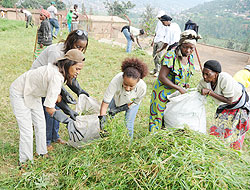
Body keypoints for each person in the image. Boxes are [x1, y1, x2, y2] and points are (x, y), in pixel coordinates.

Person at [9, 49, 85, 167]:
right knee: (27, 130)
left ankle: (42, 152)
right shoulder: (56, 77)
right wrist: (67, 120)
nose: (78, 72)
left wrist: (69, 111)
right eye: (77, 69)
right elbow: (50, 108)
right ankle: (25, 162)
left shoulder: (59, 73)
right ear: (69, 64)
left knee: (40, 123)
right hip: (19, 91)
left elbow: (56, 98)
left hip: (32, 92)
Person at [31, 30, 89, 150]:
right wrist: (64, 99)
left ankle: (54, 136)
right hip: (40, 81)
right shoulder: (56, 52)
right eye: (78, 47)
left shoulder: (73, 54)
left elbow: (69, 75)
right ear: (70, 42)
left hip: (52, 80)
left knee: (57, 106)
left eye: (82, 49)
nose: (80, 51)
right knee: (49, 109)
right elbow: (54, 78)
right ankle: (46, 141)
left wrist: (79, 91)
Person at [149, 30, 200, 132]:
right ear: (180, 45)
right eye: (186, 47)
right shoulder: (171, 56)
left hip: (176, 94)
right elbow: (162, 77)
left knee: (171, 117)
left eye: (191, 48)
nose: (188, 50)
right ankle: (154, 139)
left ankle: (166, 139)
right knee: (158, 117)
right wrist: (178, 87)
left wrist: (185, 85)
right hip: (162, 92)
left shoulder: (190, 58)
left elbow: (184, 74)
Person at [197, 60, 250, 150]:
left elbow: (229, 100)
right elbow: (198, 90)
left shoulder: (224, 78)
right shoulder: (204, 82)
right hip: (225, 106)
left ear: (216, 73)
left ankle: (232, 151)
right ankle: (214, 147)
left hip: (238, 104)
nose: (205, 77)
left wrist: (210, 92)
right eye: (203, 74)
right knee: (218, 127)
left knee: (235, 131)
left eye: (208, 74)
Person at [99, 58, 148, 138]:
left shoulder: (142, 88)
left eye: (131, 86)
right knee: (108, 118)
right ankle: (106, 138)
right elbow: (105, 103)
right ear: (122, 77)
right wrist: (102, 120)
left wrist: (120, 109)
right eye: (125, 84)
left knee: (128, 123)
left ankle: (128, 143)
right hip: (116, 99)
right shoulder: (116, 81)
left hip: (131, 104)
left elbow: (135, 102)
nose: (127, 88)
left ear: (138, 81)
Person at [151, 10, 167, 77]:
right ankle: (155, 69)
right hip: (156, 40)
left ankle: (158, 71)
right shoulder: (158, 23)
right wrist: (153, 41)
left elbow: (167, 34)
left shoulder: (166, 24)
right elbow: (156, 32)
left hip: (161, 41)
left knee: (158, 56)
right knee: (154, 55)